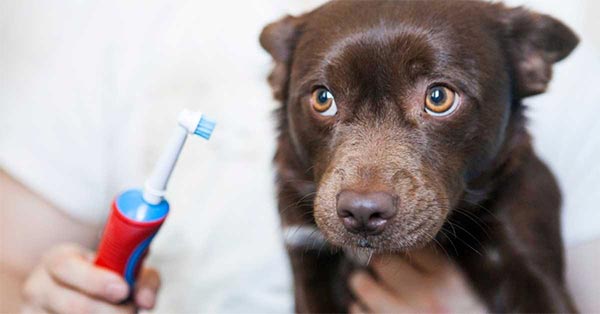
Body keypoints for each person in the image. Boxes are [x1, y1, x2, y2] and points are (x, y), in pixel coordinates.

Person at [1, 0, 599, 313]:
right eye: (324, 97)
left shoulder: (542, 43)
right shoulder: (124, 22)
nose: (362, 191)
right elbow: (10, 264)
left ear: (529, 69)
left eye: (437, 97)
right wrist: (41, 298)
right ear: (283, 79)